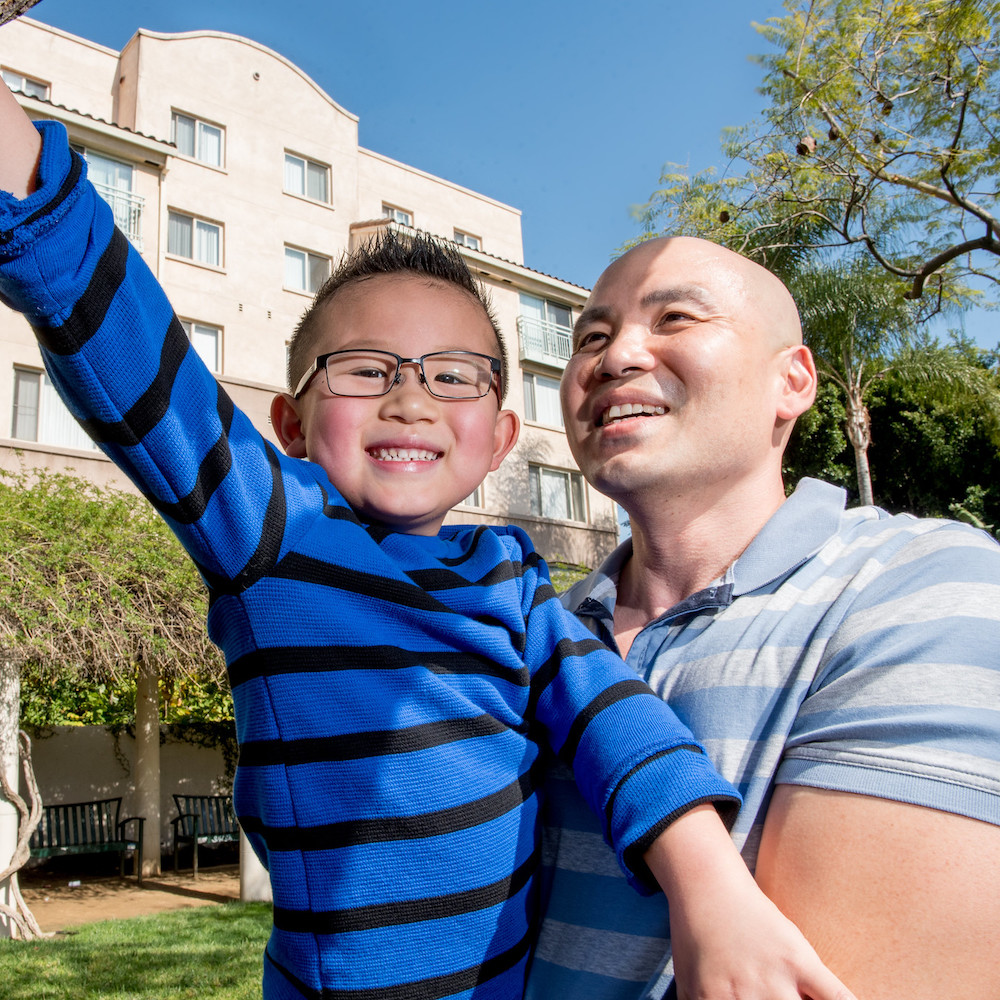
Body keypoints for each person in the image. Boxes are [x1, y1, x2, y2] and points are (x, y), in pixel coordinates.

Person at [0, 87, 857, 1000]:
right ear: (290, 424)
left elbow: (613, 716)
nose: (409, 399)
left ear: (496, 438)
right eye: (365, 370)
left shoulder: (518, 579)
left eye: (453, 376)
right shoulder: (271, 534)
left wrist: (712, 887)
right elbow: (110, 317)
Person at [525, 235, 1000, 1000]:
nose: (614, 358)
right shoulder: (533, 627)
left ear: (794, 380)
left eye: (675, 316)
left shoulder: (921, 584)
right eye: (592, 337)